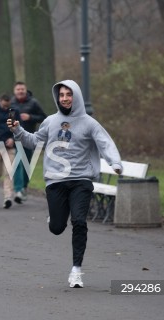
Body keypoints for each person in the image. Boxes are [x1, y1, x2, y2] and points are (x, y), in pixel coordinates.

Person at [8, 80, 122, 288]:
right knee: (57, 227)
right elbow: (34, 141)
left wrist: (115, 162)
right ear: (57, 98)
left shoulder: (89, 123)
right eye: (61, 95)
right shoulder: (51, 121)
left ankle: (76, 270)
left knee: (79, 221)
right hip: (56, 180)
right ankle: (57, 214)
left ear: (75, 96)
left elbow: (105, 143)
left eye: (69, 94)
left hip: (81, 180)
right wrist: (18, 131)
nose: (65, 98)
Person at [10, 82, 47, 204]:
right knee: (18, 163)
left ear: (26, 90)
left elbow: (43, 117)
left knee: (26, 164)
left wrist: (30, 117)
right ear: (14, 91)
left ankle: (24, 187)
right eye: (18, 89)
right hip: (14, 138)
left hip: (29, 138)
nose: (20, 91)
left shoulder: (33, 102)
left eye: (22, 89)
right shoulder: (11, 103)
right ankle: (18, 189)